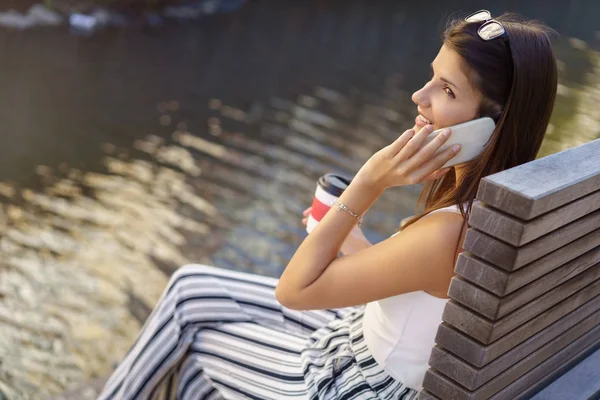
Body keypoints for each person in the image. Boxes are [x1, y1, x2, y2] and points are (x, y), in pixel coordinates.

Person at [98, 10, 557, 400]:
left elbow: (294, 292)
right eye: (431, 77)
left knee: (185, 312)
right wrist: (353, 241)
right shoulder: (493, 204)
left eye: (447, 90)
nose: (420, 97)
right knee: (192, 288)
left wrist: (369, 181)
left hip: (351, 381)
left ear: (492, 126)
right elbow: (420, 294)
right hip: (359, 338)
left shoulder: (449, 230)